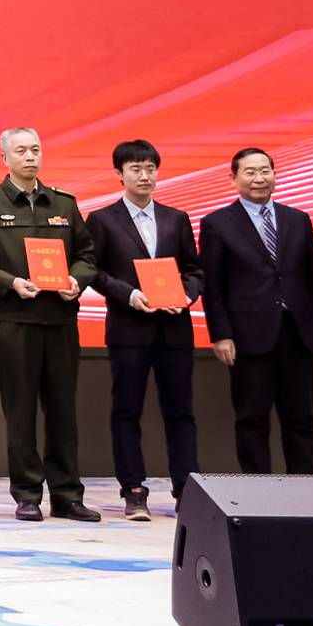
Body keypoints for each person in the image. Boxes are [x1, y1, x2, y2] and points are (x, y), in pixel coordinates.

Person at [0, 129, 101, 522]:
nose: (30, 156)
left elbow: (87, 255)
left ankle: (67, 495)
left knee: (63, 412)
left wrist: (76, 280)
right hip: (13, 321)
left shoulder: (64, 202)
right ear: (4, 158)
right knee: (20, 412)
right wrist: (10, 283)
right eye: (20, 150)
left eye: (35, 149)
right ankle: (27, 494)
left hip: (60, 320)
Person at [198, 147, 313, 474]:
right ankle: (257, 488)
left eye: (265, 171)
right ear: (233, 178)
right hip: (248, 336)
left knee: (301, 418)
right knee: (252, 418)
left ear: (274, 174)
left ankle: (306, 485)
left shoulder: (298, 219)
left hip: (298, 332)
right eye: (250, 172)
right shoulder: (217, 223)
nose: (259, 178)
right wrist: (221, 334)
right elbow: (213, 286)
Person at [87, 139, 205, 520]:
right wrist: (130, 294)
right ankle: (133, 489)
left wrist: (186, 296)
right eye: (135, 169)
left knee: (181, 412)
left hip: (174, 328)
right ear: (119, 174)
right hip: (129, 328)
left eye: (150, 168)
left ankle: (186, 490)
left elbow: (194, 269)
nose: (144, 176)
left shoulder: (176, 218)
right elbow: (94, 272)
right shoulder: (102, 220)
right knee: (126, 410)